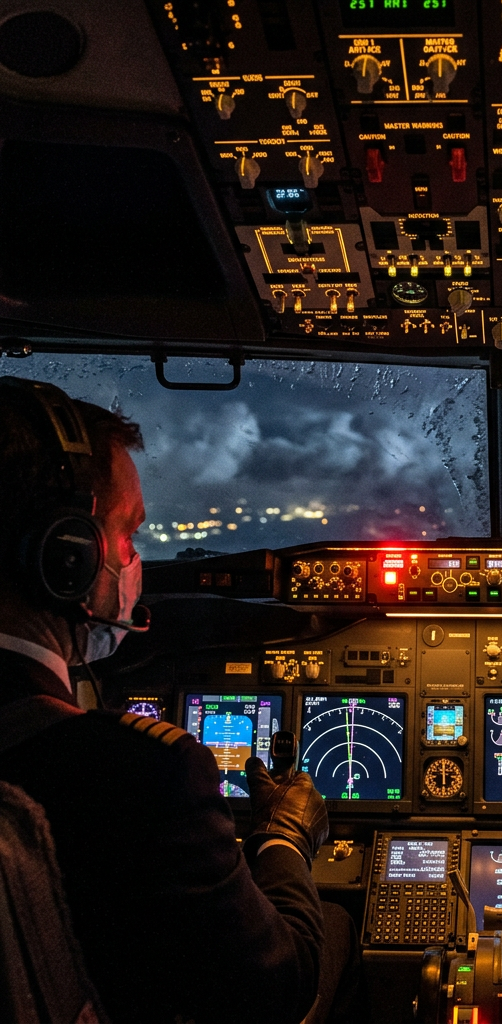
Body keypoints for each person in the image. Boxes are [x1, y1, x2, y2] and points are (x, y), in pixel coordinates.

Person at [0, 376, 358, 1023]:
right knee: (334, 918)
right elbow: (275, 988)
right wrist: (284, 836)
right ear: (68, 558)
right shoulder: (143, 773)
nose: (135, 562)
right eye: (128, 536)